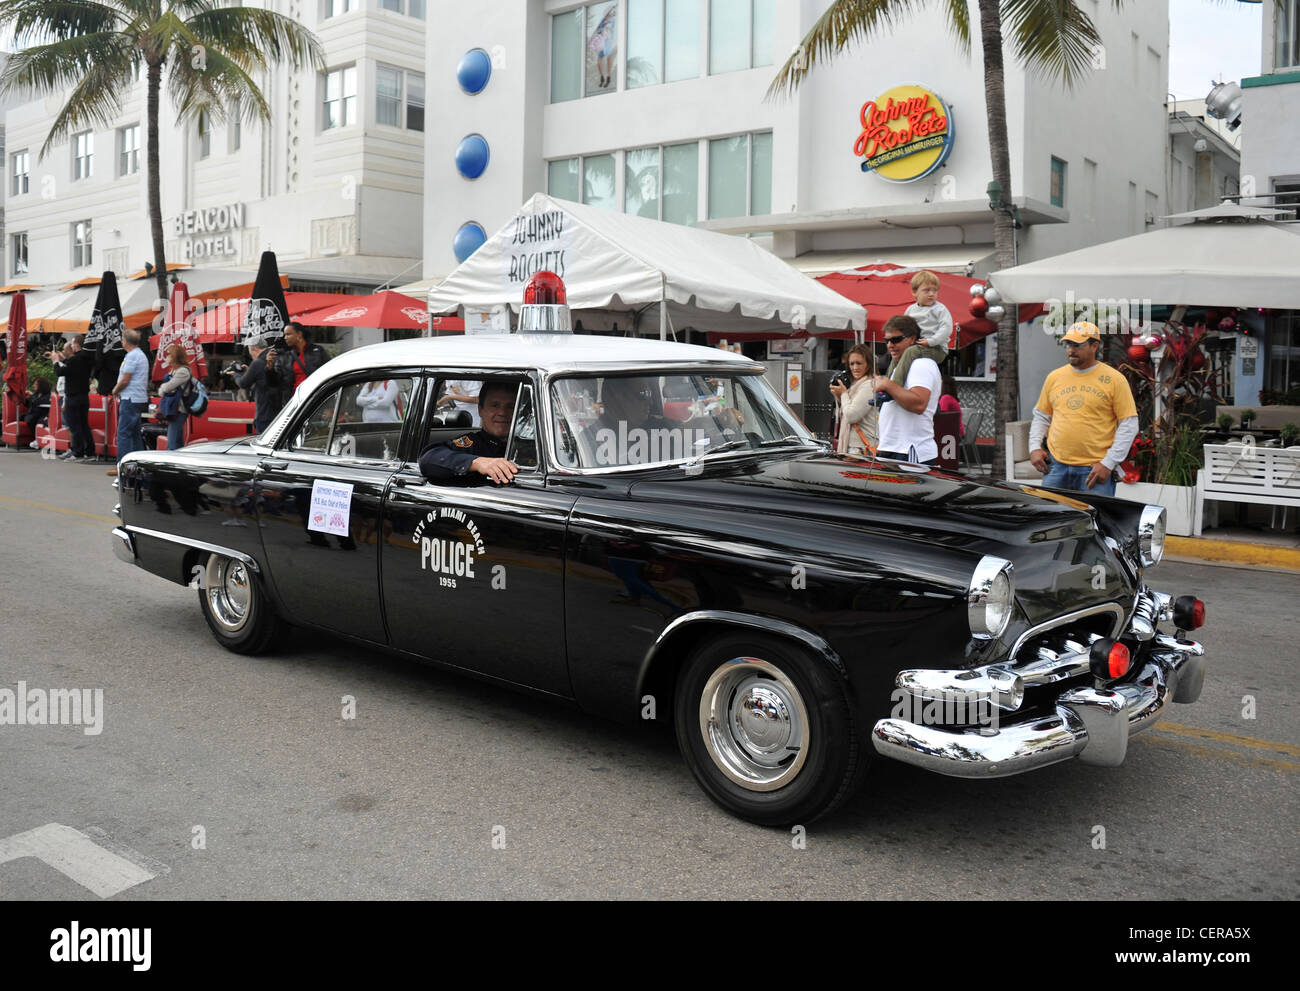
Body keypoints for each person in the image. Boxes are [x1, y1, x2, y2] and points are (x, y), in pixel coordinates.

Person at [1029, 321, 1138, 496]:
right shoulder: (1055, 377)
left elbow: (1129, 423)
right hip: (1056, 467)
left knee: (1095, 521)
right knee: (1051, 521)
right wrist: (1034, 447)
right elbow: (1042, 415)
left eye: (1077, 345)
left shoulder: (1114, 379)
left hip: (1094, 470)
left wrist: (1108, 464)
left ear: (1094, 346)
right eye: (1068, 344)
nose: (1071, 350)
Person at [872, 315, 942, 466]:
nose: (890, 345)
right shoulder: (903, 365)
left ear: (912, 339)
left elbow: (919, 404)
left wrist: (887, 385)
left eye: (896, 339)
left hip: (909, 450)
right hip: (895, 449)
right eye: (887, 340)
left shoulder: (921, 364)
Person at [418, 381, 519, 485]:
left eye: (511, 407)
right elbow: (428, 459)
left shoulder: (531, 447)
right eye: (495, 405)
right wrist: (476, 463)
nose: (502, 412)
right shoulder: (471, 444)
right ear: (480, 410)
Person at [879, 270, 952, 403]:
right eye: (927, 290)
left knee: (910, 351)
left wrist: (931, 341)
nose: (931, 294)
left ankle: (894, 387)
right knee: (896, 357)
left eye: (935, 290)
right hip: (918, 346)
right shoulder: (911, 310)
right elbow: (905, 328)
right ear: (914, 293)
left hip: (937, 349)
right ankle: (885, 387)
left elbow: (946, 329)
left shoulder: (940, 309)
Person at [108, 329, 150, 475]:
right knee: (134, 432)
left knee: (124, 432)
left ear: (125, 341)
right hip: (138, 397)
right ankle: (139, 465)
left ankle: (122, 466)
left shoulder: (132, 356)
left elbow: (126, 379)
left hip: (130, 397)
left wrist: (115, 389)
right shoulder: (140, 355)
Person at [50, 337, 96, 461]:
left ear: (77, 345)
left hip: (73, 396)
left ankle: (78, 452)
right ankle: (90, 451)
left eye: (73, 343)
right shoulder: (85, 359)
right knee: (84, 425)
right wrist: (64, 359)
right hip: (84, 396)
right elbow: (73, 368)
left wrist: (55, 361)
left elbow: (60, 372)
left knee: (74, 425)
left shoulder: (75, 360)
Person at [829, 344, 877, 455]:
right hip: (856, 447)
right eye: (852, 364)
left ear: (868, 364)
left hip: (861, 448)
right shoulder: (857, 385)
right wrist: (840, 395)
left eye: (859, 363)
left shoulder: (869, 385)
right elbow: (850, 408)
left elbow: (851, 415)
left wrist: (844, 394)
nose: (855, 368)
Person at [265, 322, 328, 407]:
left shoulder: (318, 351)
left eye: (288, 334)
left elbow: (329, 373)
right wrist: (270, 367)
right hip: (295, 404)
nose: (285, 338)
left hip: (315, 399)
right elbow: (274, 383)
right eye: (285, 335)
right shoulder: (284, 357)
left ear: (299, 334)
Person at [156, 344, 193, 452]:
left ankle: (172, 464)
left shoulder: (183, 371)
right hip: (173, 409)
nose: (167, 357)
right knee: (177, 441)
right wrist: (164, 389)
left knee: (172, 443)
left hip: (179, 410)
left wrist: (162, 389)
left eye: (169, 355)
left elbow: (167, 387)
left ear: (176, 356)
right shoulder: (174, 371)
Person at [234, 343, 278, 433]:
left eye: (251, 354)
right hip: (281, 413)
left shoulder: (258, 363)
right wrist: (250, 371)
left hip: (265, 414)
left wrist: (236, 375)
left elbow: (243, 383)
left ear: (254, 349)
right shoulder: (276, 358)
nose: (252, 357)